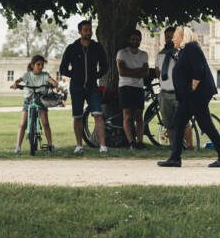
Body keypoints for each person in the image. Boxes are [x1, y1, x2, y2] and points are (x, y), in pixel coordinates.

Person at [157, 26, 220, 168]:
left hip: (195, 95)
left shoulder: (191, 47)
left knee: (185, 122)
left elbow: (198, 70)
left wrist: (191, 90)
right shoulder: (185, 50)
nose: (173, 39)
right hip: (192, 95)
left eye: (175, 36)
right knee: (193, 123)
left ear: (183, 36)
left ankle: (176, 158)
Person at [60, 19, 110, 154]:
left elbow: (105, 66)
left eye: (90, 30)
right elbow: (63, 68)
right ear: (80, 32)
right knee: (77, 116)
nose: (88, 32)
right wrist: (75, 75)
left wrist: (97, 75)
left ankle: (103, 146)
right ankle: (79, 145)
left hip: (92, 86)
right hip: (76, 87)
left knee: (98, 115)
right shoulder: (72, 48)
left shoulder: (97, 47)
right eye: (85, 30)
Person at [11, 55, 59, 154]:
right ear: (33, 65)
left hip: (41, 99)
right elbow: (19, 81)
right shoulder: (27, 75)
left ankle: (50, 145)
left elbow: (53, 82)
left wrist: (53, 83)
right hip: (29, 99)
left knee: (45, 123)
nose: (41, 66)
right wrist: (15, 84)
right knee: (23, 124)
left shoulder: (45, 75)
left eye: (42, 64)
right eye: (38, 64)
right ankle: (18, 147)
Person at [116, 29, 155, 150]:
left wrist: (130, 71)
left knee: (139, 116)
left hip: (138, 87)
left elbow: (145, 73)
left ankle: (140, 141)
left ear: (140, 40)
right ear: (129, 40)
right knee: (127, 115)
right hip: (125, 87)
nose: (135, 41)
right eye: (133, 39)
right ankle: (131, 142)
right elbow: (122, 72)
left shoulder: (144, 54)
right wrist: (138, 71)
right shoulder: (122, 53)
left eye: (137, 39)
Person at [155, 26, 191, 149]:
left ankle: (190, 147)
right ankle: (173, 147)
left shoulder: (182, 53)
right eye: (167, 37)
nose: (169, 39)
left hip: (178, 93)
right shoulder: (160, 54)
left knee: (184, 122)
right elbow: (158, 72)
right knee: (168, 123)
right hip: (165, 93)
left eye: (172, 37)